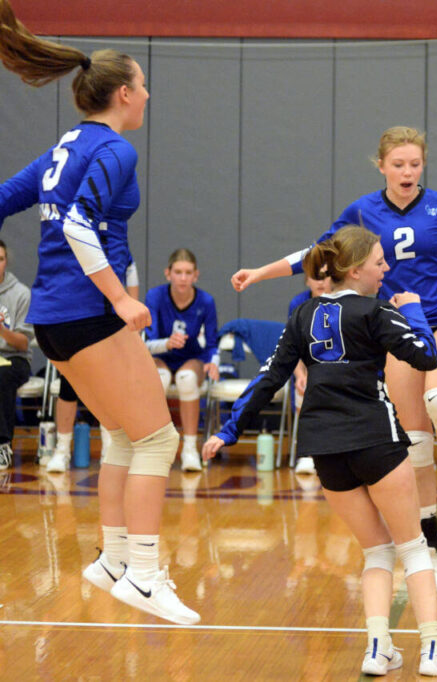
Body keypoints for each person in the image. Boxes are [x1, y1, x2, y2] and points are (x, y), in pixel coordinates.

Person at [230, 126, 437, 589]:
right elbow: (316, 254)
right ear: (382, 167)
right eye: (399, 164)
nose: (408, 172)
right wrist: (260, 273)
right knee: (412, 439)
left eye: (415, 164)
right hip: (396, 325)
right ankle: (432, 543)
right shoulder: (363, 210)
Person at [0, 3, 199, 625]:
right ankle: (143, 573)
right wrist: (121, 297)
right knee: (159, 439)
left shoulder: (65, 146)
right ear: (122, 93)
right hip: (88, 312)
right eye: (142, 84)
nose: (148, 93)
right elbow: (82, 223)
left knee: (120, 435)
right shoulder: (113, 149)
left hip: (54, 317)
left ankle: (112, 560)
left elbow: (6, 199)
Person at [203, 226, 437, 676]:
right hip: (376, 440)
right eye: (379, 262)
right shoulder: (377, 311)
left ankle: (378, 649)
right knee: (413, 547)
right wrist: (415, 312)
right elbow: (426, 356)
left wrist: (228, 430)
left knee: (376, 552)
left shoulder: (302, 316)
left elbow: (269, 378)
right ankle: (434, 649)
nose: (386, 269)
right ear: (356, 270)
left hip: (325, 450)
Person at [47, 258, 138, 472]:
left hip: (107, 322)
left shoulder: (117, 245)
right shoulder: (74, 241)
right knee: (68, 385)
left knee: (109, 387)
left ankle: (110, 447)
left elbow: (132, 285)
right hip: (76, 320)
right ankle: (61, 450)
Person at [143, 249, 219, 472]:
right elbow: (146, 343)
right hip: (160, 356)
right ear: (168, 274)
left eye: (188, 273)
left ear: (196, 275)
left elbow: (213, 342)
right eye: (178, 272)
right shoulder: (155, 297)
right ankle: (153, 446)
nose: (183, 278)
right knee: (160, 377)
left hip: (191, 358)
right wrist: (167, 343)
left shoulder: (205, 301)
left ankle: (189, 449)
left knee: (186, 379)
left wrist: (213, 362)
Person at [288, 274, 332, 475]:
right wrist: (299, 375)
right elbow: (292, 347)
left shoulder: (344, 302)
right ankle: (307, 452)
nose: (321, 282)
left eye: (326, 276)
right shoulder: (298, 303)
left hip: (339, 365)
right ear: (307, 280)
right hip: (308, 364)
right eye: (316, 277)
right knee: (303, 386)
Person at [0, 240, 33, 470]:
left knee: (1, 374)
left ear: (6, 262)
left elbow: (23, 342)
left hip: (14, 358)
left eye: (0, 259)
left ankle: (2, 444)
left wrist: (2, 330)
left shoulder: (21, 293)